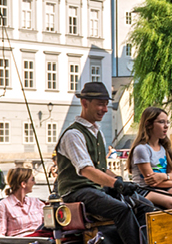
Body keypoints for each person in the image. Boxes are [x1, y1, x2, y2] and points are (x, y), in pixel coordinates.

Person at [54, 82, 155, 244]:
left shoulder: (97, 132)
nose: (105, 109)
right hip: (76, 191)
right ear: (84, 103)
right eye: (100, 104)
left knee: (146, 205)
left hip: (95, 189)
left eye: (107, 104)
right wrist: (116, 184)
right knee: (121, 209)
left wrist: (121, 180)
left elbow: (102, 168)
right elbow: (86, 170)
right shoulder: (73, 135)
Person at [0, 166, 47, 237]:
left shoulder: (36, 202)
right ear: (23, 184)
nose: (34, 182)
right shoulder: (3, 206)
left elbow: (49, 222)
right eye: (32, 180)